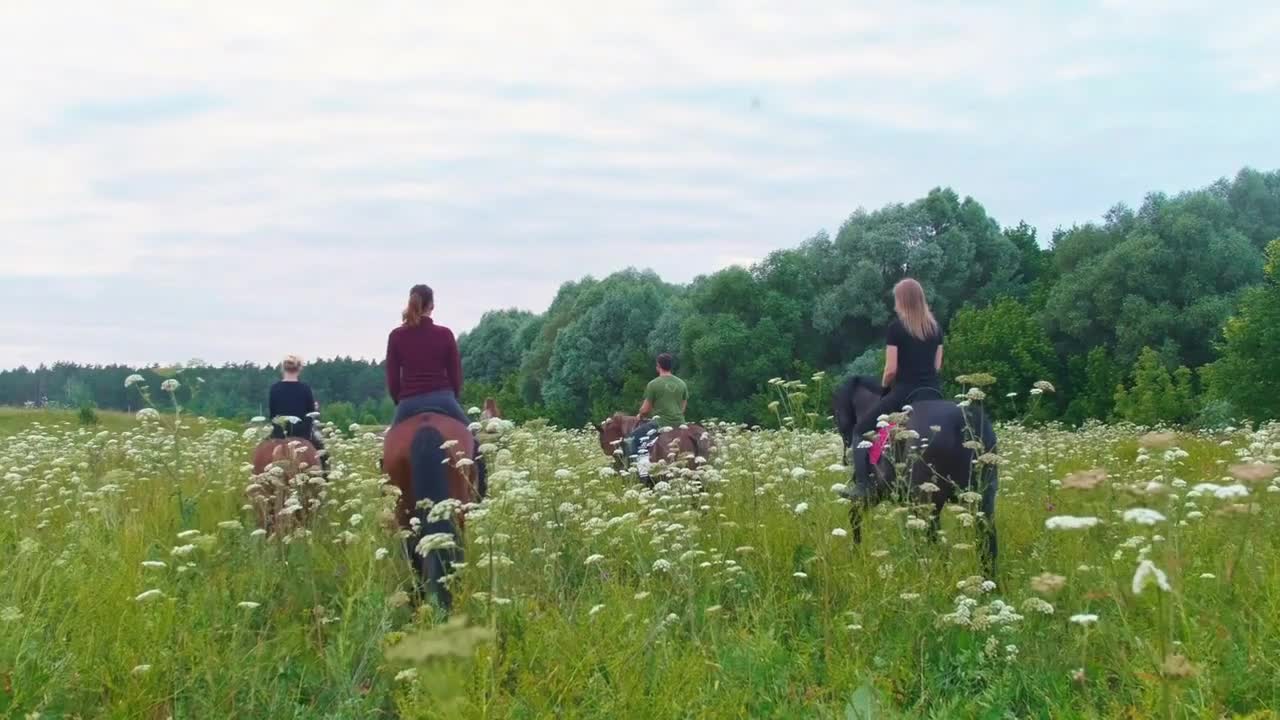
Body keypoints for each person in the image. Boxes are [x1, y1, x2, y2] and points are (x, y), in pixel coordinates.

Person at [850, 278, 944, 441]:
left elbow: (891, 369)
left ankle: (865, 465)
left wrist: (884, 387)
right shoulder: (936, 329)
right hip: (934, 393)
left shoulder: (896, 328)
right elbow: (937, 367)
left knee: (860, 431)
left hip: (905, 393)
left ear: (901, 301)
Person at [385, 284, 471, 428]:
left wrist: (400, 401)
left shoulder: (396, 336)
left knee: (389, 446)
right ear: (432, 305)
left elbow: (392, 379)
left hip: (409, 402)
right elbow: (455, 375)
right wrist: (453, 397)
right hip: (443, 398)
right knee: (473, 440)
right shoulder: (445, 334)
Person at [629, 353, 689, 481]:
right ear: (670, 366)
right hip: (680, 422)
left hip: (661, 422)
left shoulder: (653, 384)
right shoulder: (682, 383)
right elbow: (683, 407)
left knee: (635, 438)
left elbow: (646, 409)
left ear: (658, 366)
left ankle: (643, 474)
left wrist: (640, 415)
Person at [268, 354, 328, 471]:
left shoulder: (275, 388)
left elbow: (272, 415)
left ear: (283, 368)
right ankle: (325, 481)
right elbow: (310, 414)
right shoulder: (305, 388)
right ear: (299, 369)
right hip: (303, 434)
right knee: (324, 455)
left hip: (279, 434)